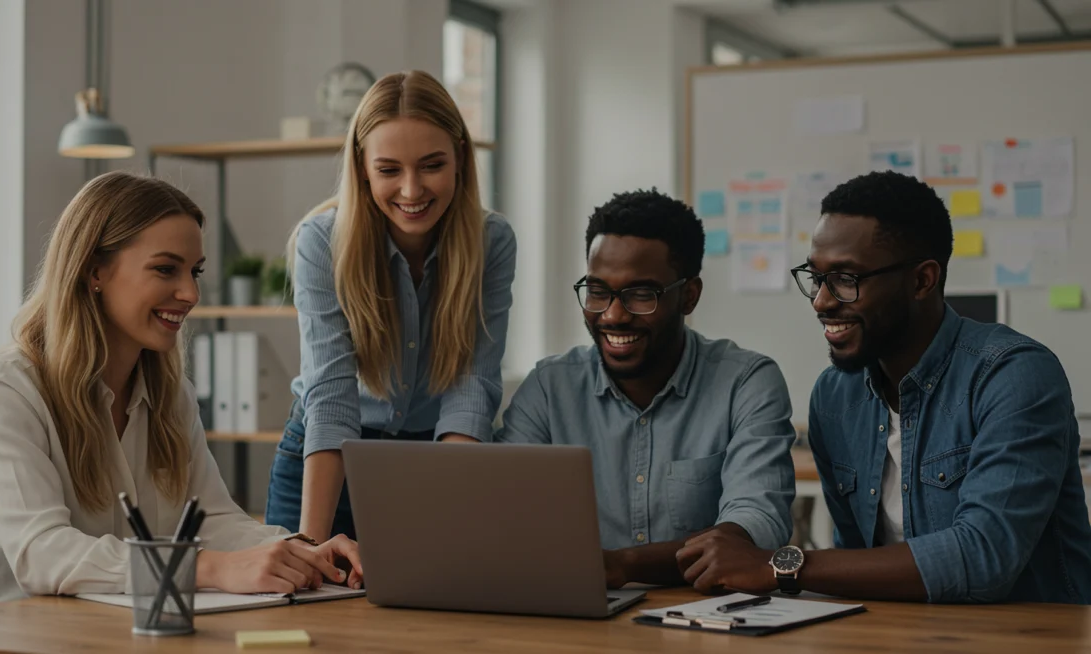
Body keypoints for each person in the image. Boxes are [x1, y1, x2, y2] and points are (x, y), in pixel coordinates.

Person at [0, 172, 363, 609]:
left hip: (104, 626)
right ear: (93, 271)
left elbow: (213, 519)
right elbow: (41, 554)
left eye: (194, 271)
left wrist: (302, 550)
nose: (190, 292)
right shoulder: (9, 388)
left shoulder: (169, 393)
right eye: (166, 269)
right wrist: (210, 568)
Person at [679, 171, 1091, 604]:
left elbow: (985, 556)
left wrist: (783, 565)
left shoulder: (1013, 375)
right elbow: (856, 562)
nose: (821, 301)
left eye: (845, 279)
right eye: (816, 277)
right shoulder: (836, 396)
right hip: (899, 634)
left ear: (921, 281)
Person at [496, 188, 795, 589]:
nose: (614, 315)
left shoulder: (745, 382)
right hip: (579, 612)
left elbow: (756, 525)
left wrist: (625, 565)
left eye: (641, 295)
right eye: (598, 291)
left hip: (709, 615)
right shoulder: (550, 389)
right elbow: (506, 514)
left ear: (689, 296)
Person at [265, 70, 516, 543]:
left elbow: (472, 386)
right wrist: (311, 549)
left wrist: (447, 521)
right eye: (389, 170)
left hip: (430, 457)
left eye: (431, 165)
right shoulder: (321, 242)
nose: (411, 190)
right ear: (361, 167)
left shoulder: (492, 241)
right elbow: (331, 397)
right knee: (300, 602)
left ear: (461, 157)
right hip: (323, 456)